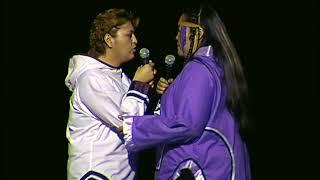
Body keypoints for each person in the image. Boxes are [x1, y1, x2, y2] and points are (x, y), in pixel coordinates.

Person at [122, 2, 251, 180]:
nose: (176, 37)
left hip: (201, 168)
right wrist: (172, 94)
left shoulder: (199, 69)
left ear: (198, 32)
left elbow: (187, 123)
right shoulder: (214, 64)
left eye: (180, 31)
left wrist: (135, 128)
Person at [65, 8, 156, 180]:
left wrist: (150, 92)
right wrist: (139, 86)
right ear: (109, 40)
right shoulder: (90, 78)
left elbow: (140, 122)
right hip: (97, 175)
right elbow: (127, 125)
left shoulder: (121, 78)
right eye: (129, 35)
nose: (136, 41)